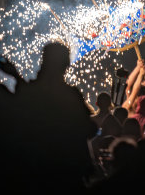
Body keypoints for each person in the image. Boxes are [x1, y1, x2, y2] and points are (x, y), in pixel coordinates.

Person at [17, 43, 96, 194]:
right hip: (67, 170)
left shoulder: (30, 93)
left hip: (35, 171)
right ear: (65, 65)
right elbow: (88, 129)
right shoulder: (70, 96)